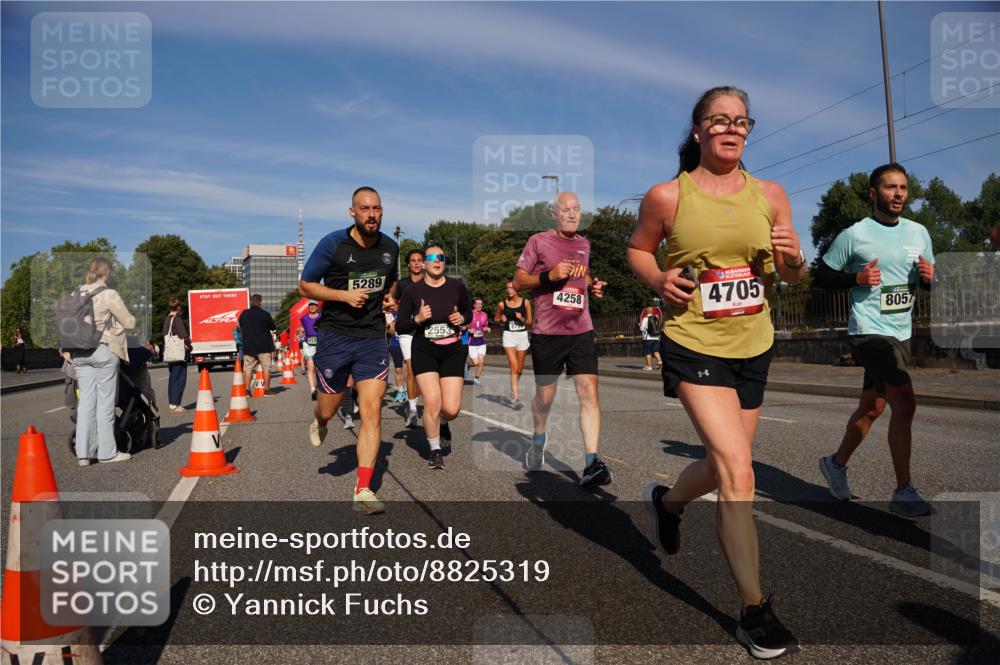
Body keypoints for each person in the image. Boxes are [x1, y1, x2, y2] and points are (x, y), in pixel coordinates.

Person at [627, 86, 805, 659]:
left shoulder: (770, 194)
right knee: (738, 472)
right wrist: (658, 280)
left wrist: (794, 259)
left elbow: (791, 274)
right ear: (699, 129)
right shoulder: (667, 196)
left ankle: (669, 504)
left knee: (724, 464)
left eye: (742, 121)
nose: (732, 128)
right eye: (719, 119)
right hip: (693, 338)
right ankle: (755, 611)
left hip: (754, 343)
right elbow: (639, 250)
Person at [814, 162, 935, 517]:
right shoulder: (855, 234)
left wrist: (930, 277)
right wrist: (856, 278)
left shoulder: (919, 233)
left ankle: (835, 464)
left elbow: (926, 281)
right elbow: (821, 275)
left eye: (903, 188)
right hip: (867, 332)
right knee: (905, 403)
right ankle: (903, 490)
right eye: (889, 187)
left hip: (901, 332)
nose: (898, 194)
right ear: (873, 193)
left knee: (874, 407)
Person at [299, 186, 398, 514]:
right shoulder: (333, 244)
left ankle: (363, 489)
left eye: (377, 208)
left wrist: (389, 297)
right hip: (335, 336)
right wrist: (342, 296)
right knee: (329, 407)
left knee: (372, 411)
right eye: (365, 208)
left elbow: (390, 280)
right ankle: (320, 421)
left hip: (371, 338)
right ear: (352, 212)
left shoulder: (390, 248)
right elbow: (306, 284)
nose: (372, 214)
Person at [513, 191, 610, 488]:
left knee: (589, 394)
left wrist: (593, 286)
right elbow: (519, 281)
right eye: (565, 209)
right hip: (548, 332)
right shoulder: (538, 242)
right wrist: (548, 276)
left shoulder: (584, 244)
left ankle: (592, 461)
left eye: (576, 209)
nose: (571, 214)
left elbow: (583, 275)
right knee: (545, 397)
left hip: (580, 329)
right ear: (553, 214)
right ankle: (538, 438)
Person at [396, 246, 472, 470]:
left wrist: (462, 317)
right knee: (431, 402)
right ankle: (435, 450)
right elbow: (400, 325)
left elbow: (468, 312)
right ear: (424, 264)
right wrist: (418, 319)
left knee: (451, 408)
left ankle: (444, 421)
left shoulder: (457, 286)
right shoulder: (413, 291)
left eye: (441, 257)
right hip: (425, 350)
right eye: (432, 257)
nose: (437, 260)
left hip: (453, 350)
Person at [71, 257, 136, 465]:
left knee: (86, 404)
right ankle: (107, 453)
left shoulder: (76, 293)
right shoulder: (108, 294)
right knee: (105, 404)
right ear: (106, 273)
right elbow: (129, 321)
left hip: (79, 353)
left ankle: (83, 454)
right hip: (102, 350)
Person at [397, 249, 425, 426]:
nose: (416, 263)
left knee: (426, 370)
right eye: (413, 261)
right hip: (407, 331)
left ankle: (419, 398)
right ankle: (413, 409)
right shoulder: (401, 285)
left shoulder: (430, 282)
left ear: (423, 263)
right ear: (408, 264)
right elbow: (391, 303)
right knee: (411, 368)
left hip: (425, 330)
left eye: (419, 260)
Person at [495, 281, 532, 410]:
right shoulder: (502, 304)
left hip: (522, 336)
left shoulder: (525, 302)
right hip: (509, 336)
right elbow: (496, 319)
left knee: (519, 370)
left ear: (517, 289)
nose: (509, 290)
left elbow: (530, 322)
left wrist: (521, 318)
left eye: (511, 288)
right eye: (507, 288)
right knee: (514, 366)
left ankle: (513, 387)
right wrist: (501, 320)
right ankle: (516, 397)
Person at [238, 294, 277, 396]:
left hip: (249, 346)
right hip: (264, 346)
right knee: (266, 368)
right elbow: (273, 327)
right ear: (260, 302)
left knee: (248, 369)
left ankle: (247, 390)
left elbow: (241, 324)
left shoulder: (244, 314)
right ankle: (267, 390)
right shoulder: (265, 314)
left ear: (251, 302)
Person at [163, 298, 191, 412]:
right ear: (178, 308)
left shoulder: (167, 320)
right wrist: (189, 344)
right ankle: (176, 404)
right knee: (180, 378)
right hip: (178, 354)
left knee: (173, 378)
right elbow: (183, 335)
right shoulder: (177, 319)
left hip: (170, 353)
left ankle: (172, 403)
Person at [465, 297, 490, 386]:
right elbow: (463, 326)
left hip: (481, 341)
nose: (479, 305)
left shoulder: (484, 315)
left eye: (481, 304)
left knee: (481, 362)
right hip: (472, 342)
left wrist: (486, 328)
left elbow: (483, 326)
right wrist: (469, 330)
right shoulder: (470, 314)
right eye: (478, 304)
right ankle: (467, 364)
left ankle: (476, 379)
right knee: (476, 363)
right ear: (474, 305)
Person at [299, 300, 322, 400]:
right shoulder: (304, 317)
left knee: (320, 368)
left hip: (321, 343)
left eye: (314, 306)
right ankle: (313, 389)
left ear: (317, 307)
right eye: (310, 306)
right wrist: (302, 332)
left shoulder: (321, 317)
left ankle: (321, 388)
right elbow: (303, 326)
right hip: (309, 344)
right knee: (311, 366)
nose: (312, 307)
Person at [385, 308, 406, 401]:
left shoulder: (409, 310)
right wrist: (388, 327)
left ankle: (409, 391)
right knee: (398, 369)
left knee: (408, 370)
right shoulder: (390, 313)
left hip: (408, 343)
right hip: (395, 344)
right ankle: (401, 390)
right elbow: (389, 331)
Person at [639, 306, 663, 370]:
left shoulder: (645, 318)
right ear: (652, 311)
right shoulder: (656, 318)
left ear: (647, 311)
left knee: (648, 352)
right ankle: (660, 362)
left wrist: (640, 325)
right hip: (656, 337)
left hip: (648, 338)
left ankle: (649, 366)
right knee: (656, 351)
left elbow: (641, 329)